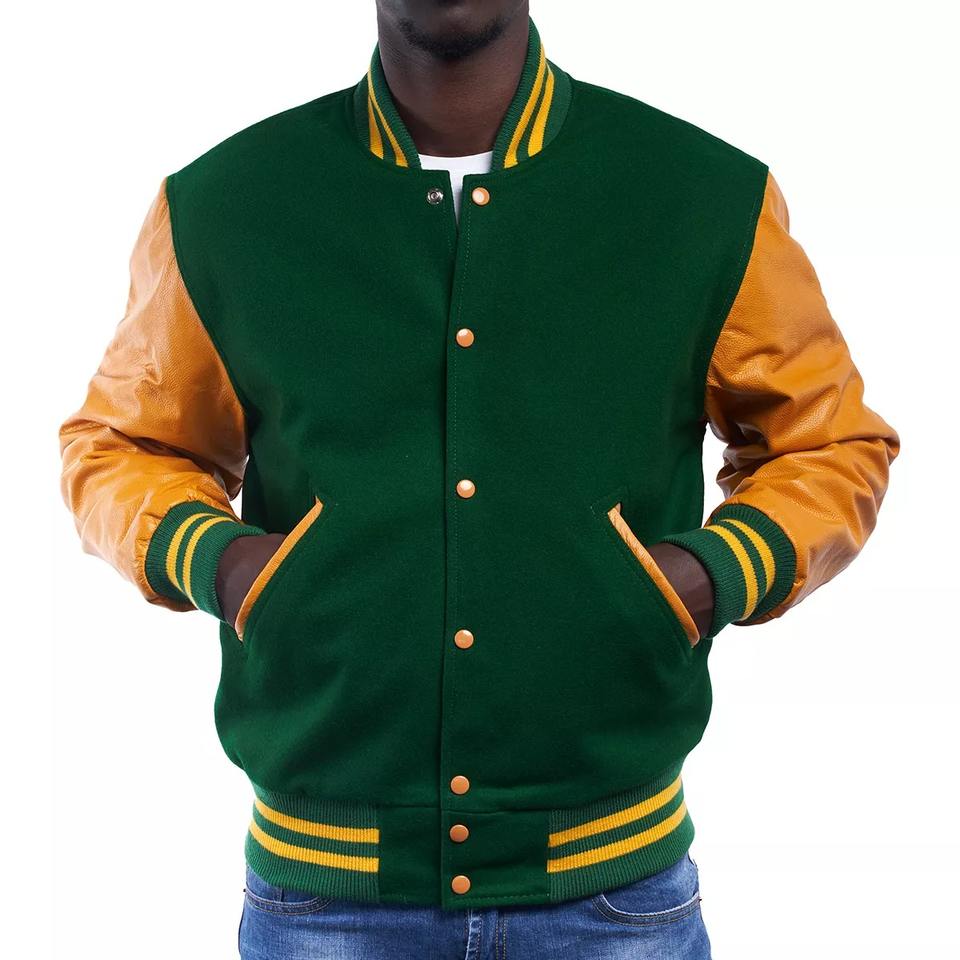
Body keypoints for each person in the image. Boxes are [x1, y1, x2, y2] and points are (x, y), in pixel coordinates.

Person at [58, 2, 899, 957]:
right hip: (323, 904)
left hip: (614, 895)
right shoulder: (227, 203)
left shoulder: (702, 193)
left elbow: (830, 443)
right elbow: (120, 444)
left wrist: (708, 574)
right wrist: (225, 563)